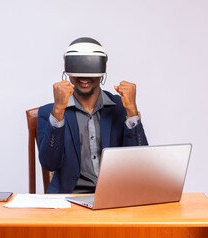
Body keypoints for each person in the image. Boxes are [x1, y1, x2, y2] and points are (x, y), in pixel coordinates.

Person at [37, 37, 148, 193]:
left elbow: (140, 163)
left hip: (114, 196)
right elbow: (49, 164)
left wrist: (131, 112)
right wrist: (58, 112)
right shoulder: (49, 112)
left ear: (102, 70)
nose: (84, 77)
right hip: (69, 200)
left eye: (90, 67)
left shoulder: (120, 107)